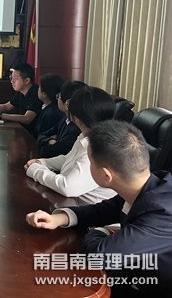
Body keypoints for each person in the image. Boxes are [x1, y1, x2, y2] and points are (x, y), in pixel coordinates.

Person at [26, 120, 172, 295]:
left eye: (90, 163)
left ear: (106, 175)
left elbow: (99, 255)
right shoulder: (149, 183)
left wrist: (102, 231)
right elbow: (104, 210)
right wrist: (60, 218)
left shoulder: (162, 213)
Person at [24, 86, 117, 204]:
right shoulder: (86, 136)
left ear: (76, 118)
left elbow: (67, 187)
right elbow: (68, 159)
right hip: (72, 204)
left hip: (87, 211)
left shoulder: (99, 148)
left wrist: (35, 170)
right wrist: (42, 162)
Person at [37, 81, 87, 158]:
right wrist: (50, 141)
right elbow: (41, 136)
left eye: (59, 96)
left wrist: (51, 143)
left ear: (67, 104)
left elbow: (46, 152)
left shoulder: (77, 128)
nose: (57, 99)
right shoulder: (65, 119)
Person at [33, 73, 64, 138]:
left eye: (39, 87)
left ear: (44, 94)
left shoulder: (51, 113)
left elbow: (41, 134)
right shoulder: (52, 108)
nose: (37, 89)